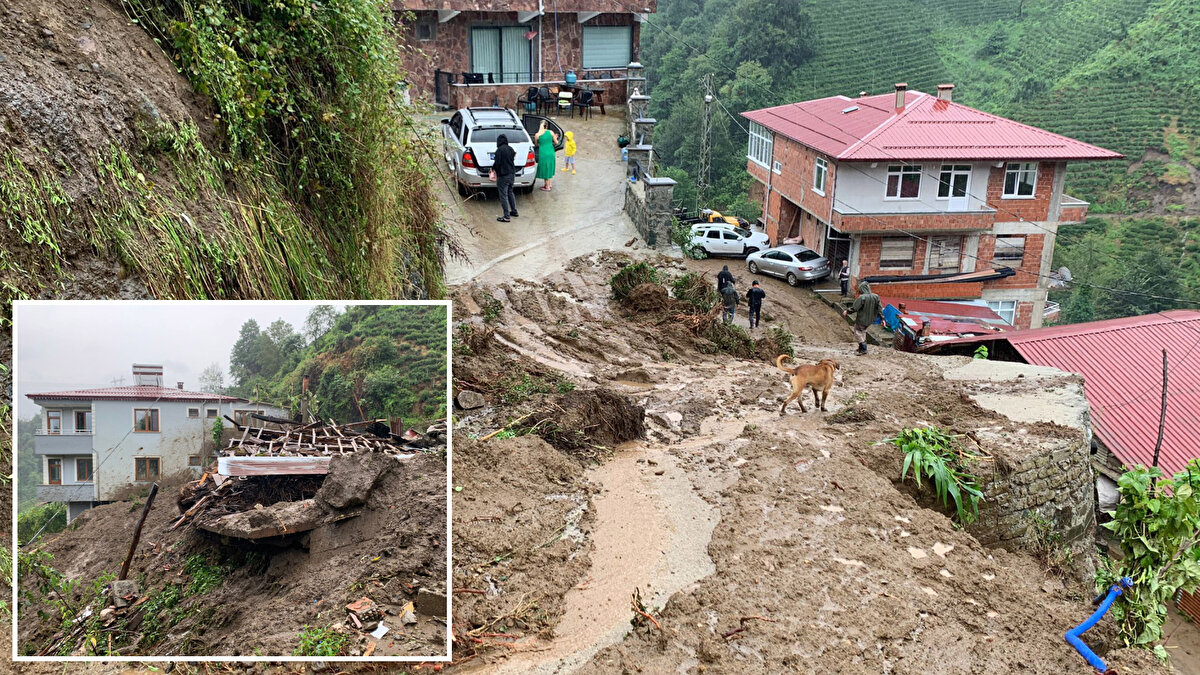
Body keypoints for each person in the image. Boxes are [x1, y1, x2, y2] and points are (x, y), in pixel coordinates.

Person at [843, 280, 883, 355]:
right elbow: (880, 308)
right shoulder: (876, 296)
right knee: (863, 331)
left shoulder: (862, 297)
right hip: (871, 320)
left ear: (862, 289)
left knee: (857, 332)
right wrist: (882, 318)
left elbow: (855, 308)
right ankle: (861, 348)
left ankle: (863, 348)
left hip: (861, 319)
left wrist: (847, 311)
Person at [493, 134, 518, 223]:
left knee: (503, 196)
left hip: (503, 176)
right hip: (512, 174)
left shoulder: (499, 150)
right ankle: (514, 211)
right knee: (510, 192)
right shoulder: (511, 149)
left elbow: (497, 163)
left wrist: (493, 170)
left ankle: (506, 216)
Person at [535, 121, 560, 191]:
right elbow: (557, 143)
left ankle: (547, 187)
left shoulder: (537, 135)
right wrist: (555, 137)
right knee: (549, 167)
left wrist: (541, 144)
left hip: (543, 153)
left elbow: (536, 145)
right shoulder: (551, 132)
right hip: (551, 152)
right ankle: (549, 184)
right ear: (546, 126)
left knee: (545, 168)